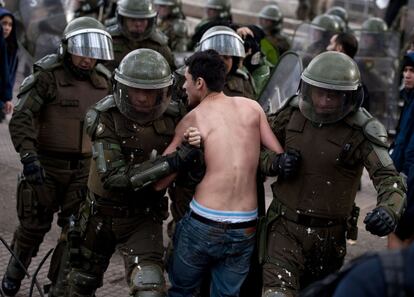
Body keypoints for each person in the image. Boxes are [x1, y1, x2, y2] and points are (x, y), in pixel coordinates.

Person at [260, 51, 407, 297]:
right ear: (308, 89)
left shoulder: (361, 130)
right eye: (320, 91)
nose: (325, 100)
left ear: (348, 96)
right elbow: (255, 147)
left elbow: (390, 179)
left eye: (334, 94)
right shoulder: (292, 114)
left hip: (329, 239)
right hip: (284, 228)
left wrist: (388, 210)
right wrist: (276, 162)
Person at [158, 49, 298, 297]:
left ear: (199, 83)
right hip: (245, 226)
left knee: (183, 291)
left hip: (203, 222)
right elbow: (276, 153)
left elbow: (160, 182)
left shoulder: (192, 119)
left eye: (187, 80)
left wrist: (186, 152)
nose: (184, 87)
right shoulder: (253, 108)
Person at [66, 48, 202, 297]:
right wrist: (173, 162)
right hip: (100, 216)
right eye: (136, 90)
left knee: (150, 289)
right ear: (122, 87)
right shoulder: (103, 116)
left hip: (143, 216)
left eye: (150, 92)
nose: (142, 98)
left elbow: (187, 175)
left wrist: (192, 161)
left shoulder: (175, 117)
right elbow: (114, 178)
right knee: (79, 284)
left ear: (163, 92)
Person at [1, 17, 114, 297]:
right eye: (82, 51)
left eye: (93, 52)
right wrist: (29, 158)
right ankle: (14, 275)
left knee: (74, 234)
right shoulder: (47, 76)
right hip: (45, 168)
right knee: (31, 230)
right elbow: (22, 118)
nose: (88, 59)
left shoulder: (104, 82)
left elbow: (113, 125)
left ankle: (60, 287)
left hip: (83, 172)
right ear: (67, 47)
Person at [388, 52, 414, 248]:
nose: (407, 75)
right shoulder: (409, 99)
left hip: (409, 182)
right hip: (404, 177)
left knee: (398, 234)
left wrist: (405, 180)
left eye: (413, 71)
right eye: (405, 70)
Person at [105, 0, 175, 72]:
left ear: (150, 20)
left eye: (142, 20)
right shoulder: (108, 39)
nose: (138, 24)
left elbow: (171, 72)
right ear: (123, 20)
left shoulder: (158, 45)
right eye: (132, 20)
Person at [0, 7, 18, 123]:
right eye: (4, 23)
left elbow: (10, 77)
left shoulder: (12, 48)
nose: (7, 28)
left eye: (10, 25)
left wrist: (8, 98)